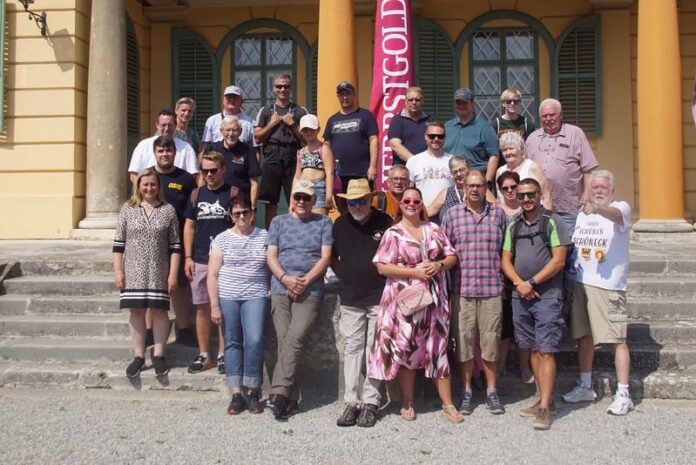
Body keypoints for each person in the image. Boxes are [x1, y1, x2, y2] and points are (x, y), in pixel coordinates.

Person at [368, 187, 464, 424]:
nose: (410, 203)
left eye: (415, 200)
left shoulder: (434, 229)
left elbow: (452, 256)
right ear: (400, 204)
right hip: (405, 300)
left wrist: (439, 266)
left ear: (421, 204)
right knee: (406, 349)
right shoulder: (393, 233)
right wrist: (414, 271)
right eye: (406, 200)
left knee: (438, 349)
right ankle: (407, 401)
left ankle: (448, 404)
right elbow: (382, 266)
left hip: (434, 299)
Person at [562, 170, 634, 416]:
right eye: (595, 188)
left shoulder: (620, 208)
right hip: (582, 283)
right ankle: (585, 385)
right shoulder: (583, 214)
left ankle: (623, 393)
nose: (599, 191)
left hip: (608, 286)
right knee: (584, 338)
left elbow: (614, 215)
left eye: (603, 187)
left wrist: (598, 208)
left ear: (611, 189)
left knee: (616, 340)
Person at [501, 177, 571, 430]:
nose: (526, 199)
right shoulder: (513, 226)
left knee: (546, 349)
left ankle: (544, 406)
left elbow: (559, 261)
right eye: (521, 196)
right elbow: (506, 259)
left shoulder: (554, 221)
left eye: (530, 194)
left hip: (547, 295)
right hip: (522, 295)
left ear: (540, 194)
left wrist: (531, 282)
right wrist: (520, 283)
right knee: (531, 348)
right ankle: (543, 399)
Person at [441, 171, 508, 416]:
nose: (475, 190)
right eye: (471, 185)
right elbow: (444, 251)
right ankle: (467, 390)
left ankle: (492, 391)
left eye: (479, 185)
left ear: (485, 187)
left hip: (491, 289)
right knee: (464, 343)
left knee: (491, 342)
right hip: (462, 289)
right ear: (464, 187)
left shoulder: (498, 214)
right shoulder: (452, 215)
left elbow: (507, 251)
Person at [266, 180, 333, 420]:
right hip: (281, 287)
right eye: (297, 197)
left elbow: (325, 258)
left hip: (310, 289)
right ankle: (289, 398)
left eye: (306, 198)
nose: (301, 202)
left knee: (294, 338)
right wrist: (285, 279)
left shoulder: (324, 222)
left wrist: (303, 281)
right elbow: (271, 255)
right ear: (291, 199)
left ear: (314, 200)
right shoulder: (278, 222)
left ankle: (277, 393)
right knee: (285, 339)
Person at [332, 179, 393, 428]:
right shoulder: (339, 224)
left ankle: (371, 401)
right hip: (350, 297)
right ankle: (352, 402)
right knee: (353, 349)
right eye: (352, 202)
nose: (357, 205)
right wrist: (344, 274)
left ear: (371, 200)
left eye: (362, 201)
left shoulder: (385, 222)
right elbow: (331, 257)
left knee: (374, 350)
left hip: (379, 296)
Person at [113, 168, 181, 378]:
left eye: (153, 184)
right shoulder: (128, 208)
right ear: (139, 186)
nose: (149, 188)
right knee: (136, 312)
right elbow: (118, 243)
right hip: (133, 269)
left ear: (158, 186)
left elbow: (175, 246)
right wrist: (118, 271)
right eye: (145, 184)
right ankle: (139, 356)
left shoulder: (168, 210)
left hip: (159, 269)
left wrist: (173, 274)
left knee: (160, 312)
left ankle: (159, 354)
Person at [207, 193, 269, 415]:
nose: (242, 216)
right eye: (237, 213)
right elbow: (212, 274)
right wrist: (214, 305)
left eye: (245, 212)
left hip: (255, 294)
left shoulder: (264, 236)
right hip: (229, 295)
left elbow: (271, 264)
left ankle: (253, 390)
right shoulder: (222, 239)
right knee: (232, 341)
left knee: (253, 339)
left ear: (252, 214)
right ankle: (236, 393)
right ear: (231, 216)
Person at [183, 151, 236, 375]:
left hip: (226, 261)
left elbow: (240, 223)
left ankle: (223, 354)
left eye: (213, 170)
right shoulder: (196, 194)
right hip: (201, 258)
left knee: (224, 308)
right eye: (205, 171)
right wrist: (187, 257)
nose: (209, 175)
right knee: (202, 308)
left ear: (223, 168)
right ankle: (204, 354)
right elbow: (189, 227)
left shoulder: (232, 193)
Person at [524, 98, 598, 231]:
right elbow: (524, 169)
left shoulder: (575, 133)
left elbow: (589, 168)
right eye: (544, 116)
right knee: (544, 246)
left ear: (561, 115)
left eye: (552, 115)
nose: (548, 119)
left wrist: (587, 193)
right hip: (538, 206)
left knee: (568, 245)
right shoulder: (532, 138)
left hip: (567, 206)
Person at [152, 135, 197, 346]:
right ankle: (150, 331)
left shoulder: (186, 179)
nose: (164, 155)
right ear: (155, 153)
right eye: (160, 151)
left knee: (180, 286)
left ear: (174, 153)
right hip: (152, 243)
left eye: (168, 151)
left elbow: (192, 213)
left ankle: (184, 328)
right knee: (153, 286)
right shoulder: (149, 177)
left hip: (178, 242)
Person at [495, 170, 534, 384]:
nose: (510, 191)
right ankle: (500, 366)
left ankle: (524, 366)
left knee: (525, 323)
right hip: (504, 274)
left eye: (513, 187)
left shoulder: (528, 210)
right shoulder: (496, 212)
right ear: (500, 191)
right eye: (505, 188)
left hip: (526, 272)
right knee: (505, 325)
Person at [255, 74, 308, 227]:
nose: (282, 89)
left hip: (293, 157)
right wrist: (272, 124)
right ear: (274, 89)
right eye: (279, 86)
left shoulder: (299, 111)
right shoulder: (266, 111)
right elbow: (257, 137)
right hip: (271, 156)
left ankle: (295, 233)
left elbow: (306, 139)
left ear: (291, 88)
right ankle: (271, 236)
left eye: (286, 86)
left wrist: (293, 124)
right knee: (270, 201)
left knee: (296, 198)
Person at [323, 81, 379, 189]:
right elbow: (326, 145)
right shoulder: (332, 120)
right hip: (338, 174)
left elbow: (374, 140)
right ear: (338, 96)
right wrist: (327, 171)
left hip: (362, 173)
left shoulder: (366, 116)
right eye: (342, 94)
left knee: (362, 205)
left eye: (348, 94)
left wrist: (372, 166)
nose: (345, 97)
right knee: (341, 205)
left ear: (354, 95)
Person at [444, 88, 500, 186]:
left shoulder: (484, 127)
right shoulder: (447, 126)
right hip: (450, 181)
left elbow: (494, 155)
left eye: (464, 102)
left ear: (472, 103)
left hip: (474, 183)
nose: (461, 106)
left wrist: (487, 182)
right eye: (458, 103)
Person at [128, 109, 199, 183]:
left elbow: (193, 175)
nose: (167, 128)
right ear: (157, 125)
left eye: (170, 125)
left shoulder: (186, 148)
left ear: (175, 125)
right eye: (163, 125)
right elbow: (134, 174)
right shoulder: (143, 146)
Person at [208, 115, 261, 206]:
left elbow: (254, 183)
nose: (231, 134)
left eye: (235, 130)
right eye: (228, 130)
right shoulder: (212, 149)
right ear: (221, 131)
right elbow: (203, 177)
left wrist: (253, 208)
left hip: (240, 204)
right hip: (215, 202)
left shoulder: (248, 151)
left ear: (240, 132)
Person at [495, 132, 552, 209]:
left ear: (521, 149)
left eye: (511, 148)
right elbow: (499, 199)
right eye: (504, 150)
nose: (508, 153)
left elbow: (546, 196)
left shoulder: (532, 167)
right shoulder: (500, 171)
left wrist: (546, 218)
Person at [405, 121, 453, 210]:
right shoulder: (413, 161)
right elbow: (408, 192)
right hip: (423, 213)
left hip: (448, 214)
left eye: (440, 136)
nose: (436, 139)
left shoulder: (453, 161)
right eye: (432, 136)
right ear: (426, 137)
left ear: (445, 138)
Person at [294, 114, 334, 215]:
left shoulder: (324, 147)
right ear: (301, 131)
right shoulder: (301, 151)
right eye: (305, 130)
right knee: (302, 223)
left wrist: (329, 195)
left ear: (318, 130)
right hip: (301, 189)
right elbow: (297, 176)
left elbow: (330, 173)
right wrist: (292, 199)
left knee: (318, 222)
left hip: (318, 188)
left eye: (312, 129)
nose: (308, 132)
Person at [201, 85, 255, 151]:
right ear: (223, 101)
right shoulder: (212, 120)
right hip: (217, 159)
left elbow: (255, 149)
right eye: (229, 97)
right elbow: (205, 147)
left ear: (241, 101)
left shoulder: (250, 122)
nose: (232, 100)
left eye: (235, 97)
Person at [388, 87, 432, 165]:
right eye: (411, 100)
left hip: (425, 167)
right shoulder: (397, 120)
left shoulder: (429, 120)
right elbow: (395, 145)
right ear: (405, 102)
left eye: (417, 100)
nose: (414, 102)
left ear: (422, 102)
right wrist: (415, 162)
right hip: (403, 170)